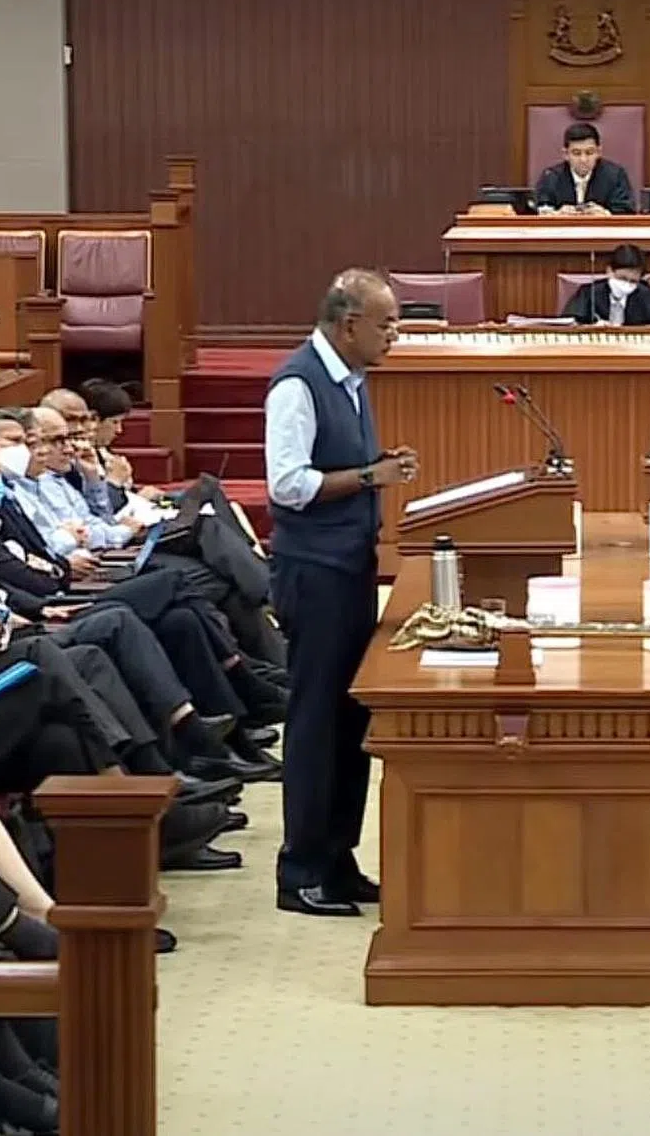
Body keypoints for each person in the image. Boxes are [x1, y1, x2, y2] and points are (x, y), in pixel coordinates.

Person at [264, 269, 418, 916]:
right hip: (314, 570)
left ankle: (337, 858)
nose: (394, 334)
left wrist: (372, 474)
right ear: (349, 323)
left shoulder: (352, 382)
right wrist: (368, 476)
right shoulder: (298, 383)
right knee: (314, 721)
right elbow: (287, 484)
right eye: (386, 323)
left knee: (350, 718)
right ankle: (300, 870)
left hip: (349, 565)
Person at [533, 122, 636, 215]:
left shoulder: (615, 175)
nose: (583, 159)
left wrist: (605, 214)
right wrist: (557, 214)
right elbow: (539, 209)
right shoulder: (551, 176)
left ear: (598, 152)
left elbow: (627, 211)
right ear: (565, 154)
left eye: (589, 152)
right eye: (576, 153)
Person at [561, 244, 650, 326]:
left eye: (633, 281)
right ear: (610, 271)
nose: (626, 284)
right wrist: (590, 328)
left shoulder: (648, 298)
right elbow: (568, 324)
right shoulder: (589, 293)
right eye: (622, 278)